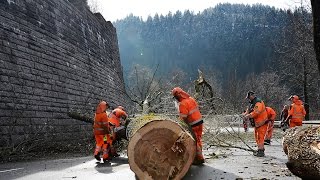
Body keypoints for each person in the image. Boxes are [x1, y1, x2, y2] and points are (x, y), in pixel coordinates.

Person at [172, 87, 204, 165]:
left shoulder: (182, 104)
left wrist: (178, 123)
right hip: (200, 122)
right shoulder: (191, 99)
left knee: (194, 142)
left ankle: (199, 159)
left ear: (178, 96)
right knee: (198, 140)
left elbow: (183, 117)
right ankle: (198, 156)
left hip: (193, 124)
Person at [244, 91, 268, 157]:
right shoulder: (252, 103)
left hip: (262, 122)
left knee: (260, 137)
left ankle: (261, 151)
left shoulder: (258, 102)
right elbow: (248, 110)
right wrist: (245, 114)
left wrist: (249, 116)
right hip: (257, 123)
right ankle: (260, 149)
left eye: (249, 97)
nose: (248, 99)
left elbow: (256, 112)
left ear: (252, 96)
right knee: (257, 137)